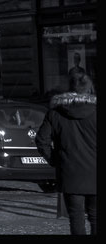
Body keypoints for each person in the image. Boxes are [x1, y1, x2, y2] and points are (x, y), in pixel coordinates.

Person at [36, 71, 97, 236]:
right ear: (90, 89)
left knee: (76, 218)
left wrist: (55, 160)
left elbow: (41, 141)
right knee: (96, 217)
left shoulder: (56, 112)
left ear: (69, 89)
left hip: (70, 173)